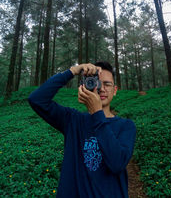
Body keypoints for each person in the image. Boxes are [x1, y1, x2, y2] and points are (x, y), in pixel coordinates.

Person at [28, 61, 136, 198]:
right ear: (85, 86)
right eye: (96, 82)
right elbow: (37, 99)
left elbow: (117, 163)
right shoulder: (73, 120)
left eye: (107, 84)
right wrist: (72, 71)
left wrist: (97, 114)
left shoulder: (126, 126)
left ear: (114, 91)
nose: (101, 88)